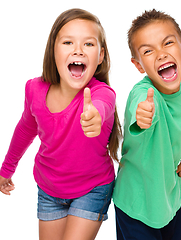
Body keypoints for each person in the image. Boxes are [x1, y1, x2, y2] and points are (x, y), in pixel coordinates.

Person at [0, 8, 121, 240]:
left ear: (101, 55)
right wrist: (7, 169)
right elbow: (25, 129)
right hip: (49, 189)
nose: (78, 50)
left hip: (92, 189)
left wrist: (94, 116)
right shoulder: (34, 88)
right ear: (53, 50)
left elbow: (101, 107)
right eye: (68, 42)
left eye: (88, 44)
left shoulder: (102, 94)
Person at [113, 9, 181, 240]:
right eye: (148, 51)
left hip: (170, 197)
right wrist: (142, 115)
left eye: (168, 43)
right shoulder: (142, 93)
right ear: (139, 65)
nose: (161, 54)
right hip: (136, 204)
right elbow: (140, 109)